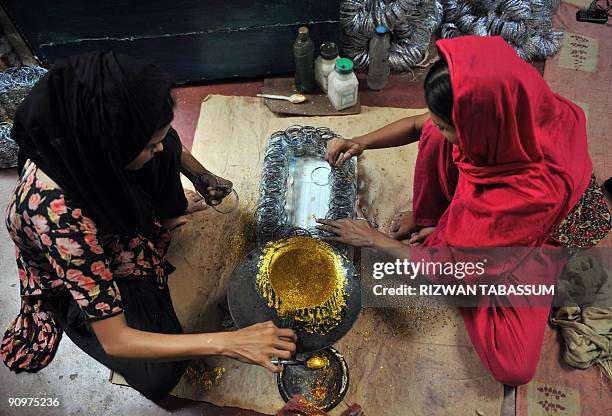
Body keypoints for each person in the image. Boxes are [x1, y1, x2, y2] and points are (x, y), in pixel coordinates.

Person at [1, 52, 296, 400]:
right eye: (148, 143)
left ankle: (157, 212)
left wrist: (201, 175)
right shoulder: (61, 219)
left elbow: (165, 141)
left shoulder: (88, 134)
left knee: (164, 148)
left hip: (106, 205)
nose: (160, 146)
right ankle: (75, 316)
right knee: (160, 374)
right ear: (106, 150)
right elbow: (119, 340)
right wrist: (231, 342)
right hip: (80, 262)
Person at [317, 36, 611, 385]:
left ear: (480, 130)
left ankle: (451, 241)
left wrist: (372, 238)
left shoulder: (523, 199)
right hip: (499, 201)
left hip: (537, 238)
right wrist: (361, 141)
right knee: (433, 137)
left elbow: (451, 268)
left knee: (513, 367)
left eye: (446, 124)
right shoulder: (510, 105)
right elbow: (419, 124)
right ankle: (438, 222)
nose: (435, 126)